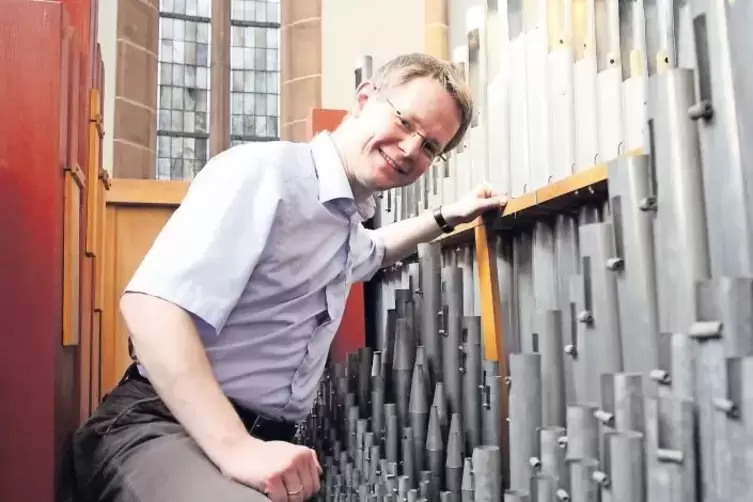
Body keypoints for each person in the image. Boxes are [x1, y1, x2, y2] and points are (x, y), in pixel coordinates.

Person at [70, 52, 507, 502]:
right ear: (363, 99)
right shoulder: (265, 174)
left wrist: (447, 215)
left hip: (263, 440)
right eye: (406, 121)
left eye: (431, 146)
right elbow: (149, 308)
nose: (412, 149)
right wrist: (237, 449)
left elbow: (375, 252)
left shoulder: (344, 226)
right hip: (159, 426)